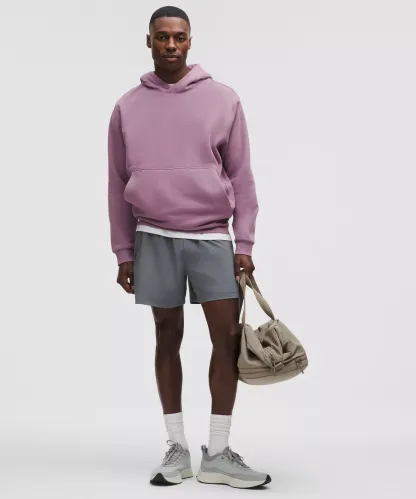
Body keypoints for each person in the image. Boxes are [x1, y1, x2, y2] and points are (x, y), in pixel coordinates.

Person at [108, 5, 271, 489]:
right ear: (149, 41)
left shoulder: (223, 100)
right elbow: (116, 185)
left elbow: (241, 177)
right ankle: (177, 448)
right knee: (166, 337)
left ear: (190, 41)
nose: (171, 45)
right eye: (162, 37)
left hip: (212, 237)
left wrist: (244, 240)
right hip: (154, 236)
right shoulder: (127, 107)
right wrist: (123, 252)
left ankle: (218, 453)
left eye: (179, 36)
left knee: (227, 339)